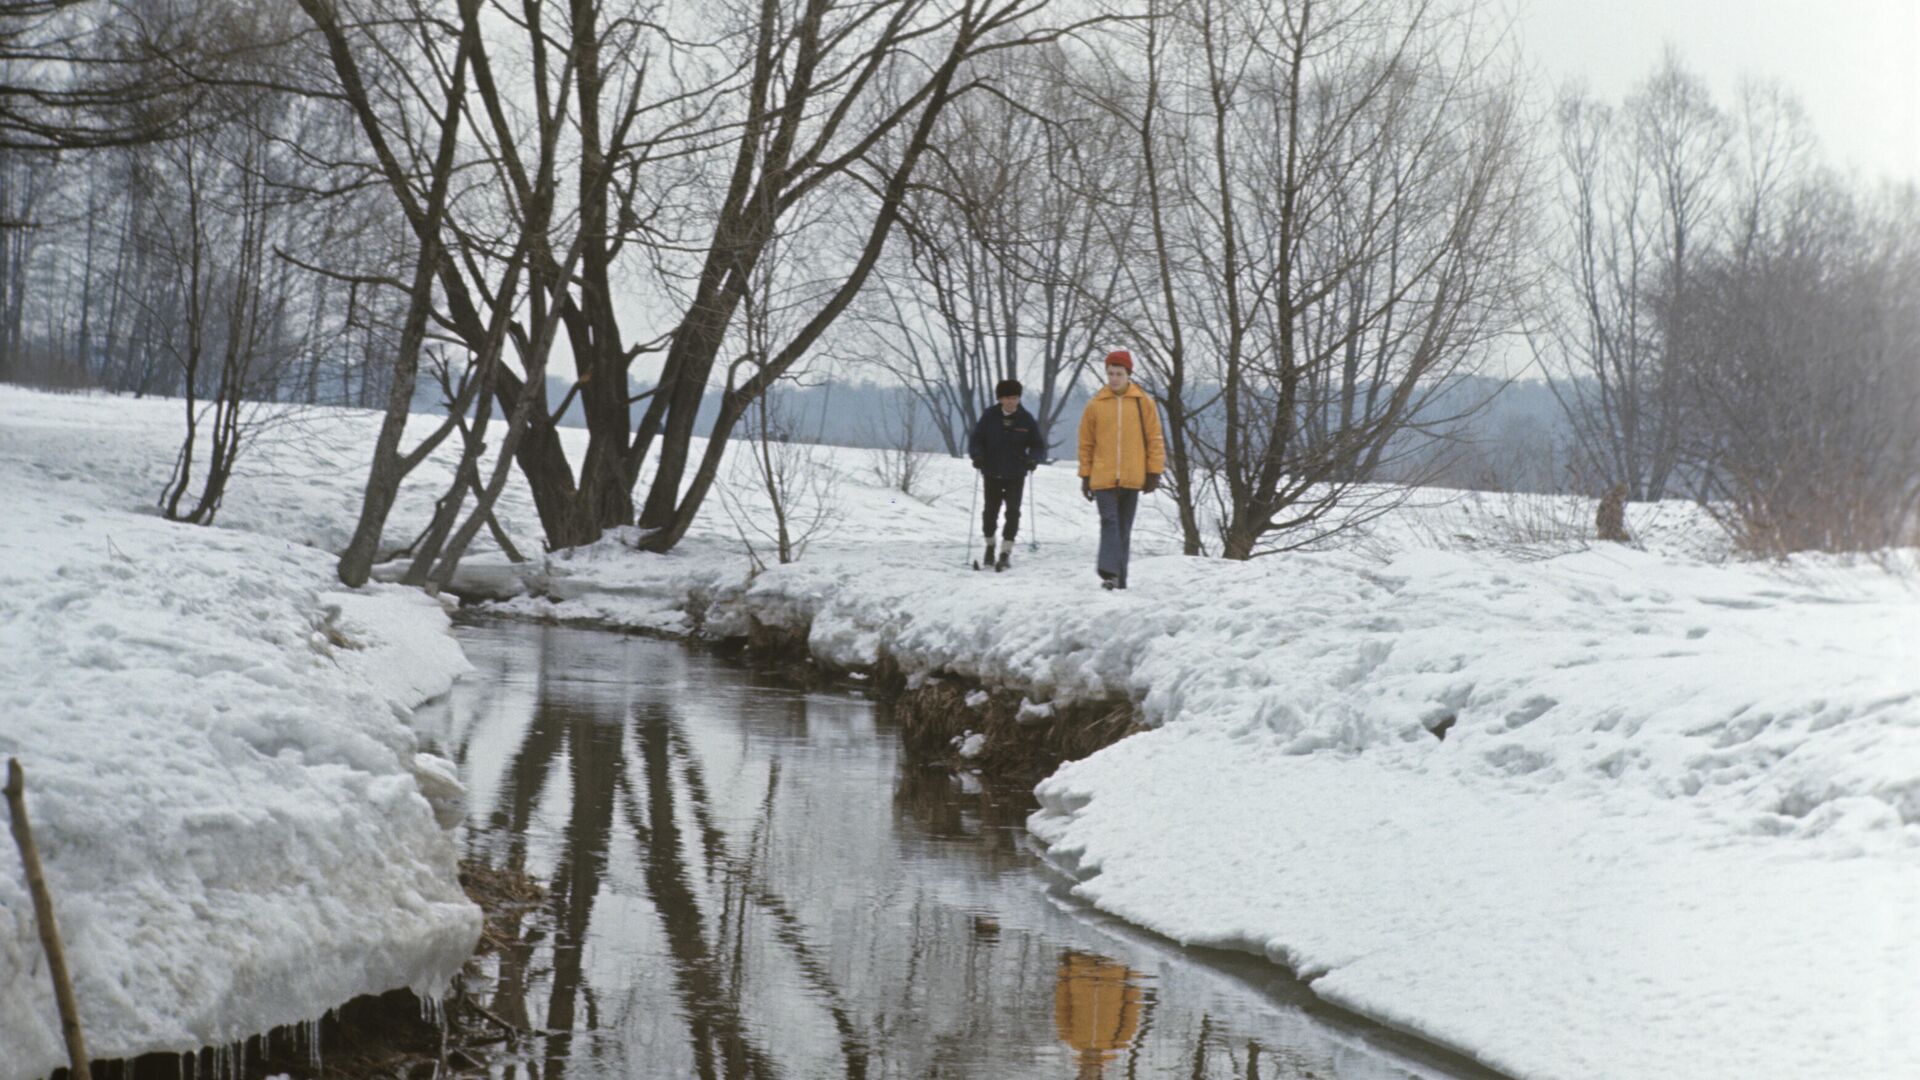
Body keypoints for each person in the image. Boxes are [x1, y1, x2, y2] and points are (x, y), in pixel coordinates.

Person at [1077, 349, 1164, 590]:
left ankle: (1119, 580)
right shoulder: (1095, 405)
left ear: (1128, 374)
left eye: (1119, 373)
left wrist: (1153, 472)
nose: (1114, 378)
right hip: (1102, 477)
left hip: (1132, 476)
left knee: (1124, 529)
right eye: (1110, 373)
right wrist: (1085, 475)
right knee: (1110, 522)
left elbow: (1155, 438)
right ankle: (1108, 572)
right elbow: (1086, 444)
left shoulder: (1143, 403)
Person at [969, 378, 1044, 571]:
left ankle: (1005, 551)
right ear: (1000, 399)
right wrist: (977, 455)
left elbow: (1037, 445)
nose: (1011, 402)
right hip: (992, 472)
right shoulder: (989, 416)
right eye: (1007, 398)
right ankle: (990, 545)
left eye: (1014, 398)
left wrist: (1033, 459)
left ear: (1019, 398)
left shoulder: (1026, 419)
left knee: (1013, 513)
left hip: (1016, 474)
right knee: (990, 513)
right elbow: (976, 439)